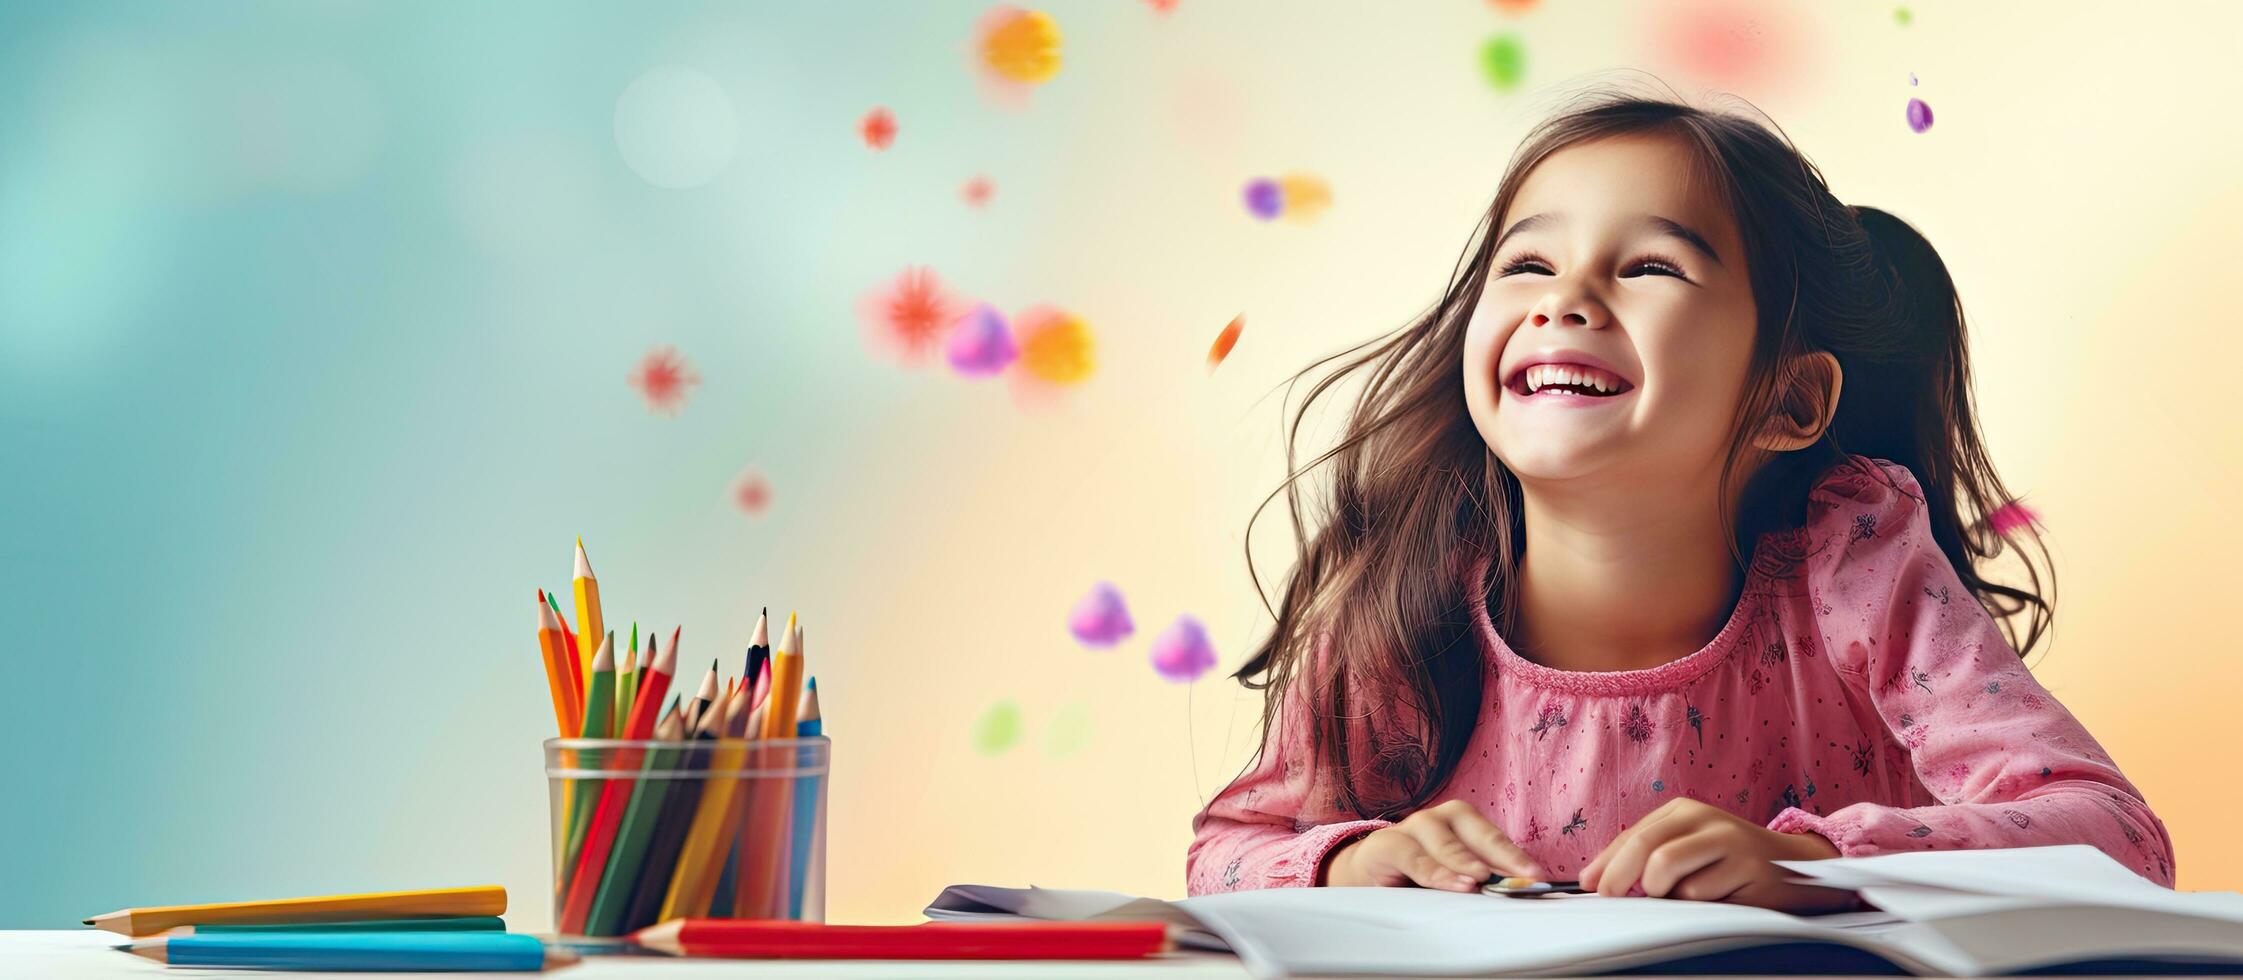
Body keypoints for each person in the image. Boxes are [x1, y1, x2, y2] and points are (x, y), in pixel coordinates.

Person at [1185, 88, 2175, 913]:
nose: (1561, 299)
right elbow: (1221, 857)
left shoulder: (1854, 568)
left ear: (1788, 399)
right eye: (1526, 262)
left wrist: (1819, 865)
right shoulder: (1404, 606)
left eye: (1649, 266)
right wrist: (1349, 862)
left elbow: (2116, 839)